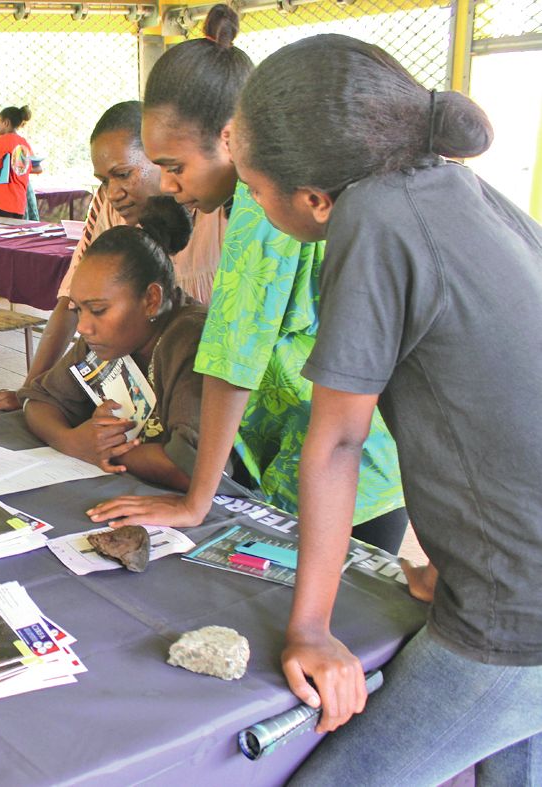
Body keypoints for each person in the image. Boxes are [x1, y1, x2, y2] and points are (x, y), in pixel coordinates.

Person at [228, 35, 542, 784]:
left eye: (252, 186)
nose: (248, 200)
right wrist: (453, 557)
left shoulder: (370, 219)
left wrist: (309, 628)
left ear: (312, 196)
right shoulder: (456, 186)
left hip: (520, 606)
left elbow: (337, 440)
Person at [86, 5, 407, 556]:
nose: (166, 182)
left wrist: (195, 502)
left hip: (348, 481)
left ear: (229, 138)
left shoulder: (263, 209)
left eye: (176, 166)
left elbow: (232, 362)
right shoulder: (257, 200)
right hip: (315, 466)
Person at [0, 101, 226, 413]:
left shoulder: (218, 208)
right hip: (137, 390)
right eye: (104, 180)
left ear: (160, 159)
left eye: (123, 174)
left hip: (206, 387)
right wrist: (28, 393)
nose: (113, 192)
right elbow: (71, 303)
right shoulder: (107, 205)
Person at [21, 217, 216, 489]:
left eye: (98, 310)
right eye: (78, 310)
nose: (83, 326)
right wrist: (72, 440)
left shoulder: (192, 340)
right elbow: (38, 400)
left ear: (151, 300)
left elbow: (191, 467)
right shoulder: (106, 338)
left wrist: (105, 447)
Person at [0, 105, 34, 219]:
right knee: (14, 235)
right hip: (19, 201)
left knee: (0, 234)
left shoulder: (1, 141)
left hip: (2, 200)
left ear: (6, 123)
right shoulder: (24, 143)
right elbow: (35, 167)